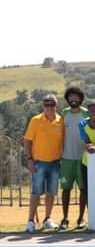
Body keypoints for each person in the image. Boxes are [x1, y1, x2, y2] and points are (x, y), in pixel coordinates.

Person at [23, 94, 64, 233]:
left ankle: (47, 219)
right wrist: (29, 159)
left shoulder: (61, 120)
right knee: (35, 192)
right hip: (38, 162)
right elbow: (27, 140)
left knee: (51, 192)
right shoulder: (35, 120)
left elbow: (63, 141)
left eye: (52, 104)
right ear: (43, 106)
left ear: (56, 105)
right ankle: (30, 221)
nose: (49, 107)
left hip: (55, 162)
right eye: (46, 104)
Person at [59, 86, 87, 230]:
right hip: (67, 158)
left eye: (76, 97)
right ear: (67, 99)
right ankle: (64, 219)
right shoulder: (64, 113)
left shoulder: (86, 114)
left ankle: (81, 219)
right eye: (71, 97)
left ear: (80, 99)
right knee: (66, 189)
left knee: (83, 189)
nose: (73, 100)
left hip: (82, 158)